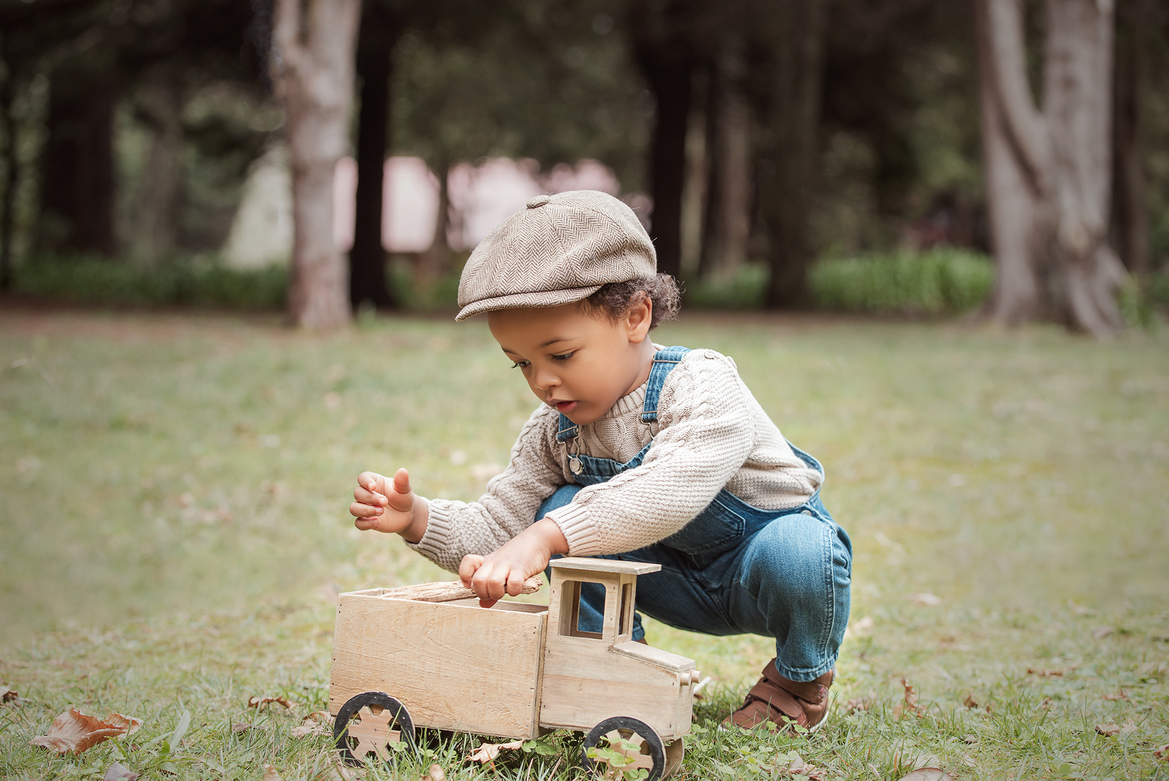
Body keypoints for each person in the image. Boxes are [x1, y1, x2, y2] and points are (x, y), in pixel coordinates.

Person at [349, 190, 852, 733]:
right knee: (558, 504)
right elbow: (502, 529)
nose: (542, 380)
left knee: (804, 550)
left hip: (759, 570)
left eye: (561, 355)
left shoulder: (703, 384)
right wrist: (419, 519)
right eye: (520, 363)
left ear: (636, 316)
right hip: (667, 579)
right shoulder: (555, 431)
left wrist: (545, 536)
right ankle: (608, 673)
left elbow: (665, 490)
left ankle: (799, 682)